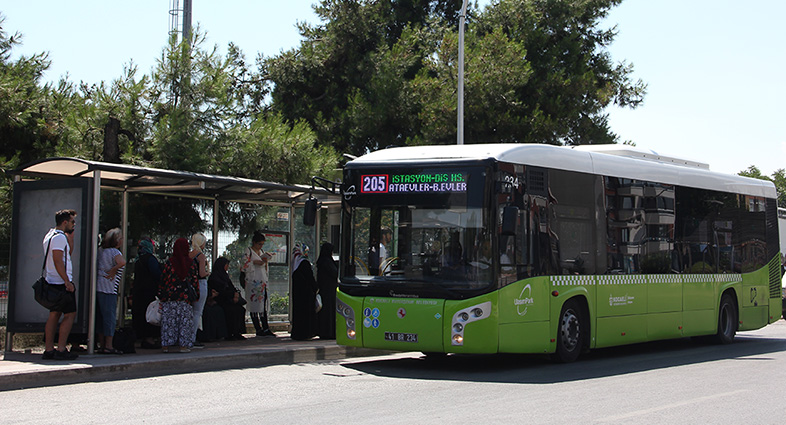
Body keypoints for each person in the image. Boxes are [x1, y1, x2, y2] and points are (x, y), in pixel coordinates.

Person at [42, 209, 79, 360]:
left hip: (52, 280)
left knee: (54, 314)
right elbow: (58, 260)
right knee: (69, 314)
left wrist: (71, 240)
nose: (73, 225)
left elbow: (66, 255)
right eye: (72, 222)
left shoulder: (50, 235)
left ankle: (49, 349)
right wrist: (66, 281)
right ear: (64, 222)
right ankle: (61, 348)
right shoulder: (59, 238)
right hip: (60, 283)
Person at [159, 238, 200, 353]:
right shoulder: (191, 263)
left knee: (168, 322)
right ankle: (183, 346)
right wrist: (196, 295)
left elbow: (163, 279)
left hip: (169, 297)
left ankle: (165, 346)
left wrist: (161, 294)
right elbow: (194, 281)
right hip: (184, 298)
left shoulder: (169, 262)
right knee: (184, 322)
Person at [95, 228, 126, 354]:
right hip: (109, 288)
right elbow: (122, 262)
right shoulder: (114, 252)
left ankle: (101, 344)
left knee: (100, 317)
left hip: (98, 287)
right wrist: (114, 269)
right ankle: (109, 345)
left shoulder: (101, 251)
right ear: (117, 240)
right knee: (109, 317)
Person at [241, 231, 274, 337]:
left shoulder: (262, 251)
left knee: (263, 304)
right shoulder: (249, 251)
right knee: (254, 304)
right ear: (254, 243)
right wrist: (255, 262)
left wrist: (265, 261)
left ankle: (265, 327)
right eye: (259, 244)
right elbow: (244, 264)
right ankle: (258, 328)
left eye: (262, 244)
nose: (260, 246)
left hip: (262, 280)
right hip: (253, 281)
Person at [131, 237, 162, 349]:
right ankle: (150, 339)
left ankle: (143, 337)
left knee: (141, 315)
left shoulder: (138, 260)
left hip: (139, 292)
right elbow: (157, 273)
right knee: (150, 315)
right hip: (149, 292)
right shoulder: (150, 259)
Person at [208, 257, 247, 340]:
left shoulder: (225, 276)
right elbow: (219, 291)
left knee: (240, 309)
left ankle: (237, 332)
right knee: (231, 310)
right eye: (226, 265)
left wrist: (235, 294)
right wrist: (232, 295)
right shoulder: (214, 277)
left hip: (229, 298)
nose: (227, 267)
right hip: (221, 299)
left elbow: (231, 287)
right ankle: (229, 333)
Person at [290, 243, 318, 341]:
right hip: (306, 294)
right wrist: (315, 287)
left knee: (298, 314)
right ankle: (306, 333)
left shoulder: (295, 264)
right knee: (306, 315)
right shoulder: (304, 263)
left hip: (298, 295)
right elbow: (310, 278)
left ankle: (298, 333)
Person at [188, 233, 209, 346]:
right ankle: (193, 337)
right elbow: (201, 273)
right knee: (197, 312)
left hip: (190, 284)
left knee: (190, 311)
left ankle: (186, 336)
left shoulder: (189, 255)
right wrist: (207, 272)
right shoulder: (201, 256)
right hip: (200, 284)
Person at [316, 242, 338, 339]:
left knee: (325, 312)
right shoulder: (327, 262)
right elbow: (334, 273)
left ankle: (324, 331)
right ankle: (328, 332)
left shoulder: (322, 261)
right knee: (329, 312)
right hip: (329, 291)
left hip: (325, 290)